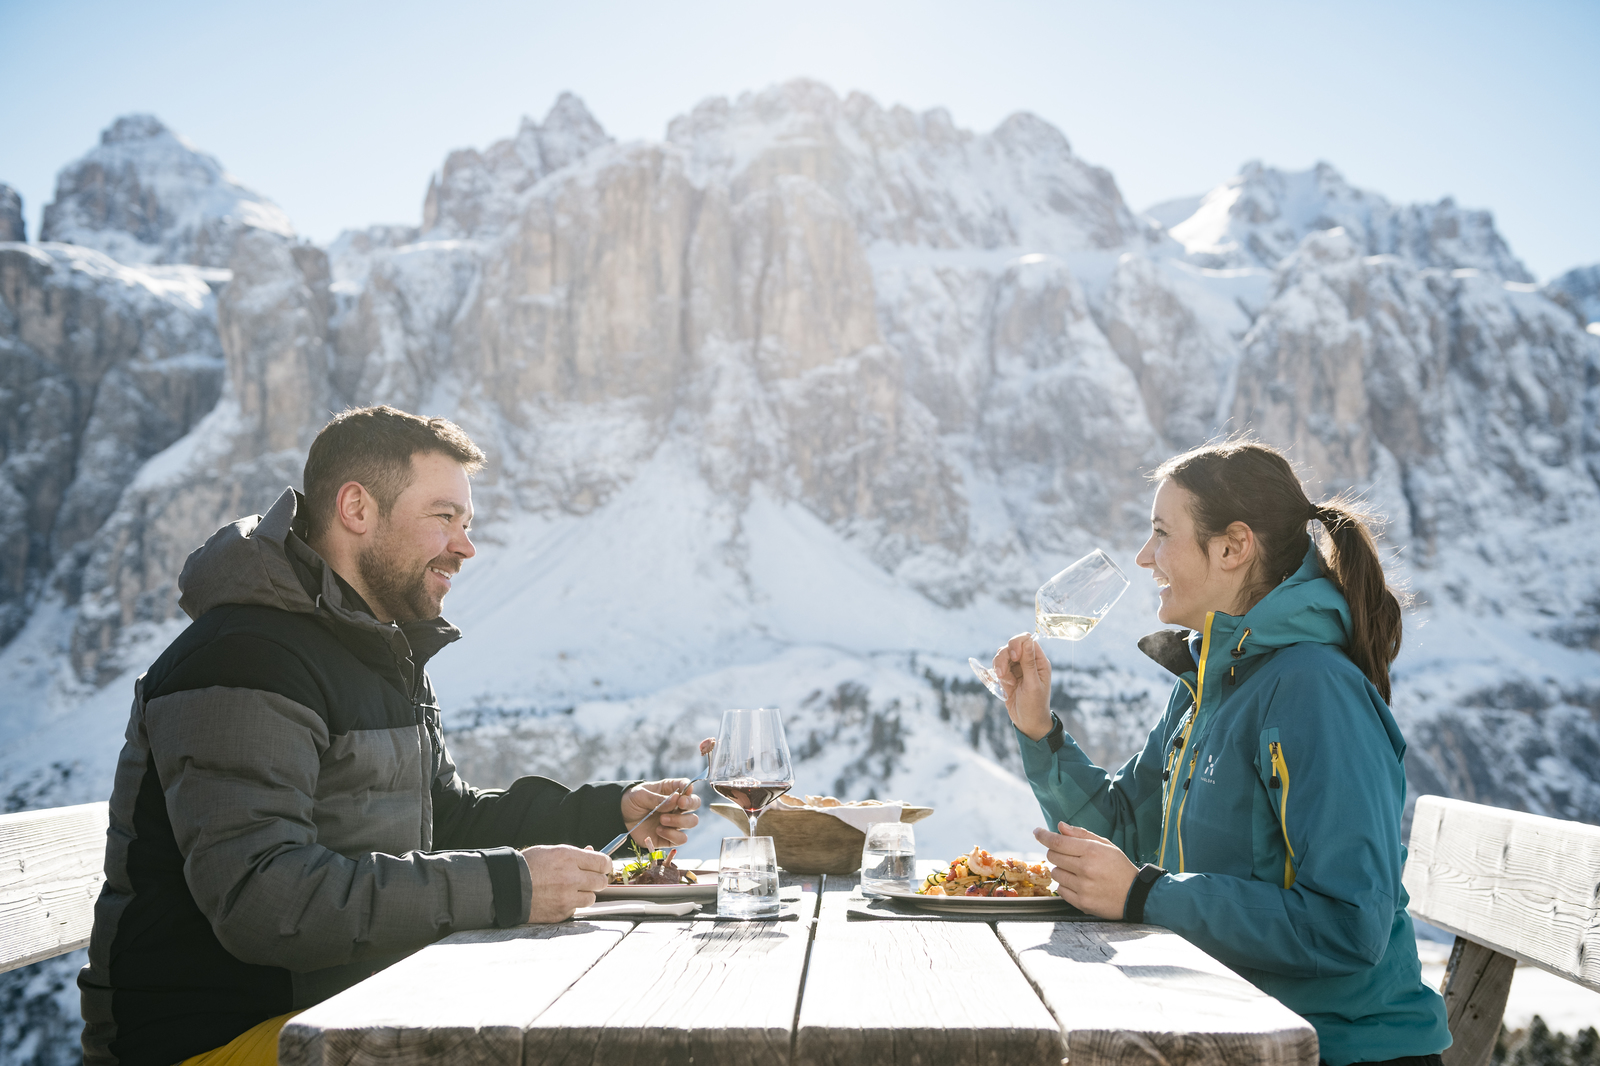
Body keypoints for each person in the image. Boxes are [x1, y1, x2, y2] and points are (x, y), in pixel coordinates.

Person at [79, 406, 704, 1066]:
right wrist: (509, 885)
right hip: (219, 1040)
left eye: (467, 524)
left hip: (348, 1008)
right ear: (357, 508)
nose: (465, 547)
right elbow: (265, 901)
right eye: (444, 518)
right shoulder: (244, 658)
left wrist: (609, 813)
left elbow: (449, 819)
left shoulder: (380, 651)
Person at [994, 440, 1451, 1066]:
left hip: (1337, 1049)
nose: (1143, 557)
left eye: (1161, 533)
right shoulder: (1208, 686)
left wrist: (1148, 896)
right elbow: (1124, 832)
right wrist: (1040, 731)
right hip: (1234, 1030)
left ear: (1233, 548)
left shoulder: (1314, 690)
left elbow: (1350, 924)